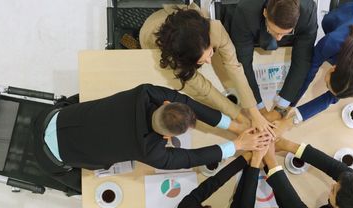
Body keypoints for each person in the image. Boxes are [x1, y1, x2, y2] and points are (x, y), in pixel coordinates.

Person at [35, 83, 271, 172]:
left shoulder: (144, 93)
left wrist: (233, 126)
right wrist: (238, 145)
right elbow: (190, 158)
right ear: (168, 136)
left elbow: (187, 103)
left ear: (166, 103)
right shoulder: (148, 152)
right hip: (56, 158)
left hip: (56, 117)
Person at [139, 4, 275, 136]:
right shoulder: (173, 57)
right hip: (152, 36)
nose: (209, 62)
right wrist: (239, 116)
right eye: (201, 60)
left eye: (210, 53)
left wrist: (254, 112)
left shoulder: (215, 29)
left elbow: (234, 67)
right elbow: (205, 89)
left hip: (183, 24)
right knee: (194, 92)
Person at [275, 2, 353, 122]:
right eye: (327, 85)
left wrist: (296, 118)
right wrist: (289, 105)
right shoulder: (331, 42)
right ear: (334, 68)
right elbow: (308, 71)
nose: (326, 85)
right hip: (351, 11)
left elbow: (334, 96)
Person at [229, 0, 318, 120]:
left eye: (285, 33)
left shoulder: (308, 11)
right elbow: (243, 62)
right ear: (265, 13)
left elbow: (302, 61)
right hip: (250, 27)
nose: (279, 38)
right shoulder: (246, 10)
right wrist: (259, 108)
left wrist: (280, 108)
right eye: (276, 31)